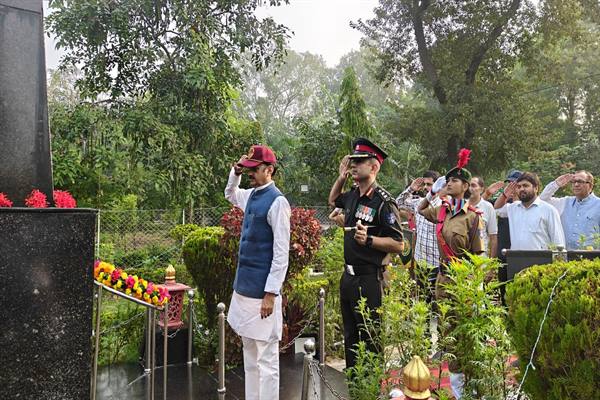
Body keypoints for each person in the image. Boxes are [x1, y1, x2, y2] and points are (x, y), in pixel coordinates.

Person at [328, 138, 404, 370]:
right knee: (350, 336)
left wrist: (369, 240)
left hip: (370, 278)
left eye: (359, 161)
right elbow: (333, 201)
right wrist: (341, 177)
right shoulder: (352, 195)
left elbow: (399, 244)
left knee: (370, 338)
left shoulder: (383, 202)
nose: (353, 165)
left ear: (374, 167)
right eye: (352, 161)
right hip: (349, 277)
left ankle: (371, 386)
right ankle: (353, 383)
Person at [224, 144, 291, 400]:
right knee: (250, 356)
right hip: (244, 290)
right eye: (249, 169)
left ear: (269, 170)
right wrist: (236, 171)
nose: (250, 174)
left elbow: (281, 253)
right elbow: (230, 193)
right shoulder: (251, 195)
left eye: (254, 169)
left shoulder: (278, 202)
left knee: (267, 360)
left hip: (263, 294)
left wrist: (271, 293)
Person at [417, 148, 483, 400]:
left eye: (454, 180)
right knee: (447, 333)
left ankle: (472, 386)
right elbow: (421, 209)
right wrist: (434, 192)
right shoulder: (441, 211)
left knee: (465, 332)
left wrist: (476, 286)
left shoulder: (472, 217)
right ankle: (457, 389)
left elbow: (477, 255)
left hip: (463, 281)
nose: (450, 184)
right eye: (448, 180)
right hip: (443, 280)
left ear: (465, 186)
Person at [493, 172, 565, 250]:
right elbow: (496, 209)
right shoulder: (513, 208)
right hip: (516, 257)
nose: (521, 189)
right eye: (519, 187)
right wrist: (504, 195)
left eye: (525, 186)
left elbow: (559, 243)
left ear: (536, 188)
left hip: (541, 257)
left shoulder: (549, 210)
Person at [396, 171, 442, 292]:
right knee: (421, 295)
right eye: (424, 184)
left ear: (438, 186)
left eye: (429, 184)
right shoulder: (418, 203)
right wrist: (411, 189)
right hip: (420, 259)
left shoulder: (443, 206)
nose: (426, 187)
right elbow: (397, 204)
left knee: (435, 297)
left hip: (436, 262)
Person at [539, 171, 600, 250]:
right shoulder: (565, 202)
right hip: (565, 255)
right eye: (573, 182)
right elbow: (542, 200)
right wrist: (556, 184)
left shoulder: (598, 205)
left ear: (590, 185)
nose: (576, 184)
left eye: (580, 181)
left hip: (591, 255)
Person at [468, 176, 498, 258]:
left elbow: (493, 236)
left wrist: (491, 262)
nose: (470, 188)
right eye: (468, 186)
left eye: (473, 185)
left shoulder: (488, 207)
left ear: (481, 189)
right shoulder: (461, 206)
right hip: (462, 258)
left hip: (481, 259)